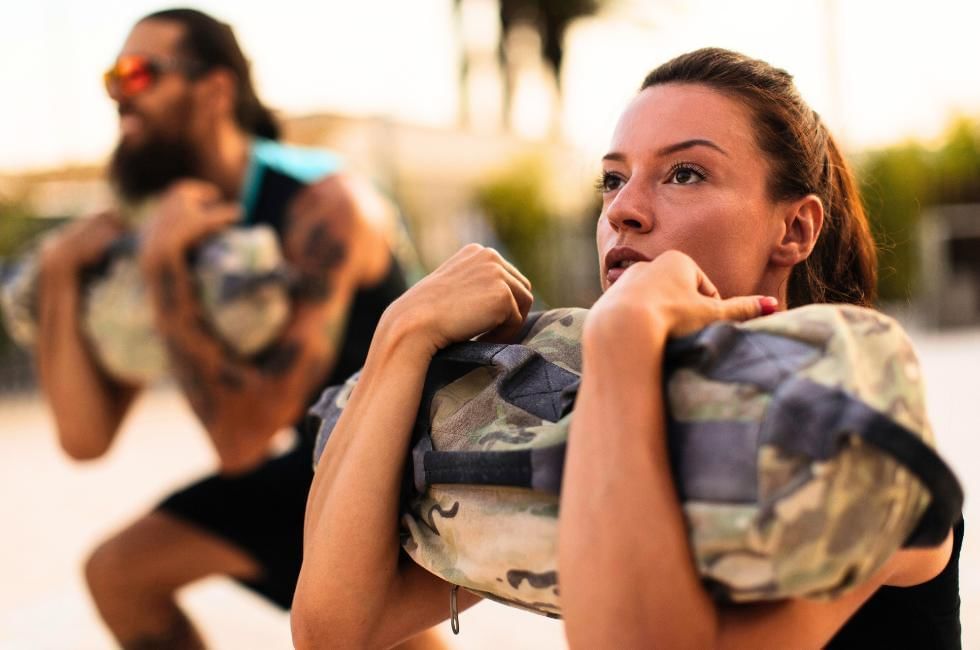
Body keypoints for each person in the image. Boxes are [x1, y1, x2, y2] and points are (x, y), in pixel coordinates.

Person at [291, 48, 962, 648]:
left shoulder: (843, 431)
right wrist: (402, 335)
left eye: (685, 175)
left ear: (794, 227)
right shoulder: (603, 401)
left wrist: (623, 340)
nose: (623, 211)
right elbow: (337, 629)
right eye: (612, 180)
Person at [34, 8, 444, 649]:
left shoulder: (322, 204)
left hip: (407, 470)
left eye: (139, 73)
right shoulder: (164, 217)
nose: (119, 95)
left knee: (126, 573)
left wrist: (165, 268)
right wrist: (60, 275)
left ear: (215, 90)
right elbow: (85, 437)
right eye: (112, 78)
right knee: (121, 575)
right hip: (319, 466)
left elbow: (241, 441)